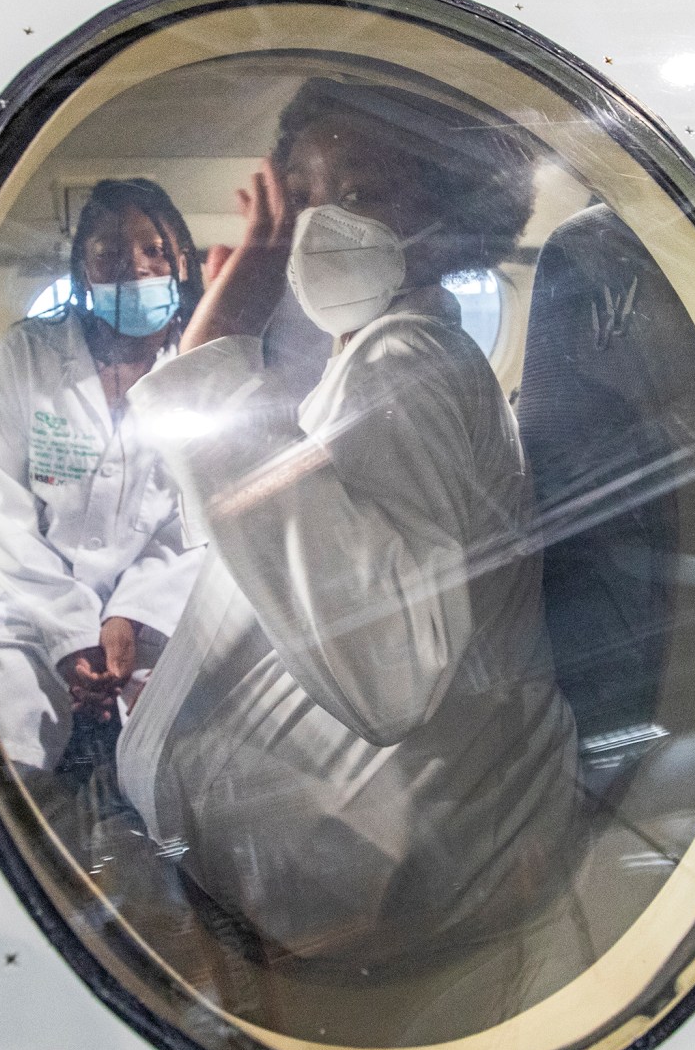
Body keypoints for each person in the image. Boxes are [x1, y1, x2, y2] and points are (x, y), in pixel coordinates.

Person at [118, 80, 582, 966]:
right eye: (304, 196)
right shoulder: (372, 361)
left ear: (451, 219)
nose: (322, 224)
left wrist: (216, 349)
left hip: (371, 911)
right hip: (329, 903)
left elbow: (388, 667)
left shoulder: (407, 360)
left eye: (363, 193)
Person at [0, 179, 206, 774]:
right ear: (82, 268)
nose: (135, 269)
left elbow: (194, 521)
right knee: (10, 768)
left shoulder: (198, 376)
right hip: (17, 606)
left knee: (175, 772)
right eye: (109, 255)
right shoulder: (24, 358)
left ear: (183, 262)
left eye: (154, 251)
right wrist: (68, 631)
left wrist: (131, 616)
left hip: (145, 615)